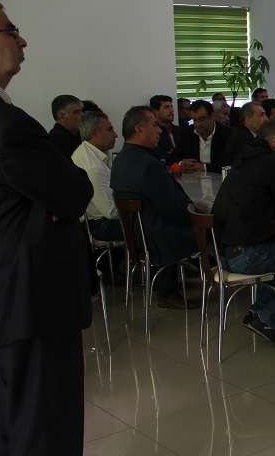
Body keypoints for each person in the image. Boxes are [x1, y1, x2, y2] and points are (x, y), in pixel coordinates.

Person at [0, 0, 94, 456]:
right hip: (30, 301)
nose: (22, 40)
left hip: (0, 296)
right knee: (42, 435)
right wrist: (48, 202)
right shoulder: (7, 125)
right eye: (10, 30)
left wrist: (42, 200)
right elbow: (76, 191)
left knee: (3, 430)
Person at [212, 119, 275, 346]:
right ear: (274, 142)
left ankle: (261, 312)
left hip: (222, 251)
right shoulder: (274, 164)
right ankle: (267, 318)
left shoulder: (245, 158)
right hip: (245, 254)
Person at [110, 106, 199, 309]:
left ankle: (173, 281)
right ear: (139, 129)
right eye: (154, 125)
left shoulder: (121, 160)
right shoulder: (148, 165)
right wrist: (197, 214)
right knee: (215, 227)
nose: (159, 130)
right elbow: (173, 209)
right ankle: (218, 277)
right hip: (160, 237)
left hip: (137, 235)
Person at [72, 110, 123, 240]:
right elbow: (111, 212)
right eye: (109, 130)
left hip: (101, 220)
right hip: (99, 225)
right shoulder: (93, 166)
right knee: (151, 225)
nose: (115, 135)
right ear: (94, 133)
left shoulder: (92, 153)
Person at [175, 99, 231, 174]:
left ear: (212, 116)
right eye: (194, 120)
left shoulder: (227, 134)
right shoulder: (187, 133)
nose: (198, 124)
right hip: (193, 181)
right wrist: (182, 163)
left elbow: (232, 163)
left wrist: (203, 167)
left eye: (202, 119)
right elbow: (172, 157)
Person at [48, 93, 83, 158]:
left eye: (82, 111)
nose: (82, 115)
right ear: (62, 116)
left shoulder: (77, 136)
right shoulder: (56, 139)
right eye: (76, 112)